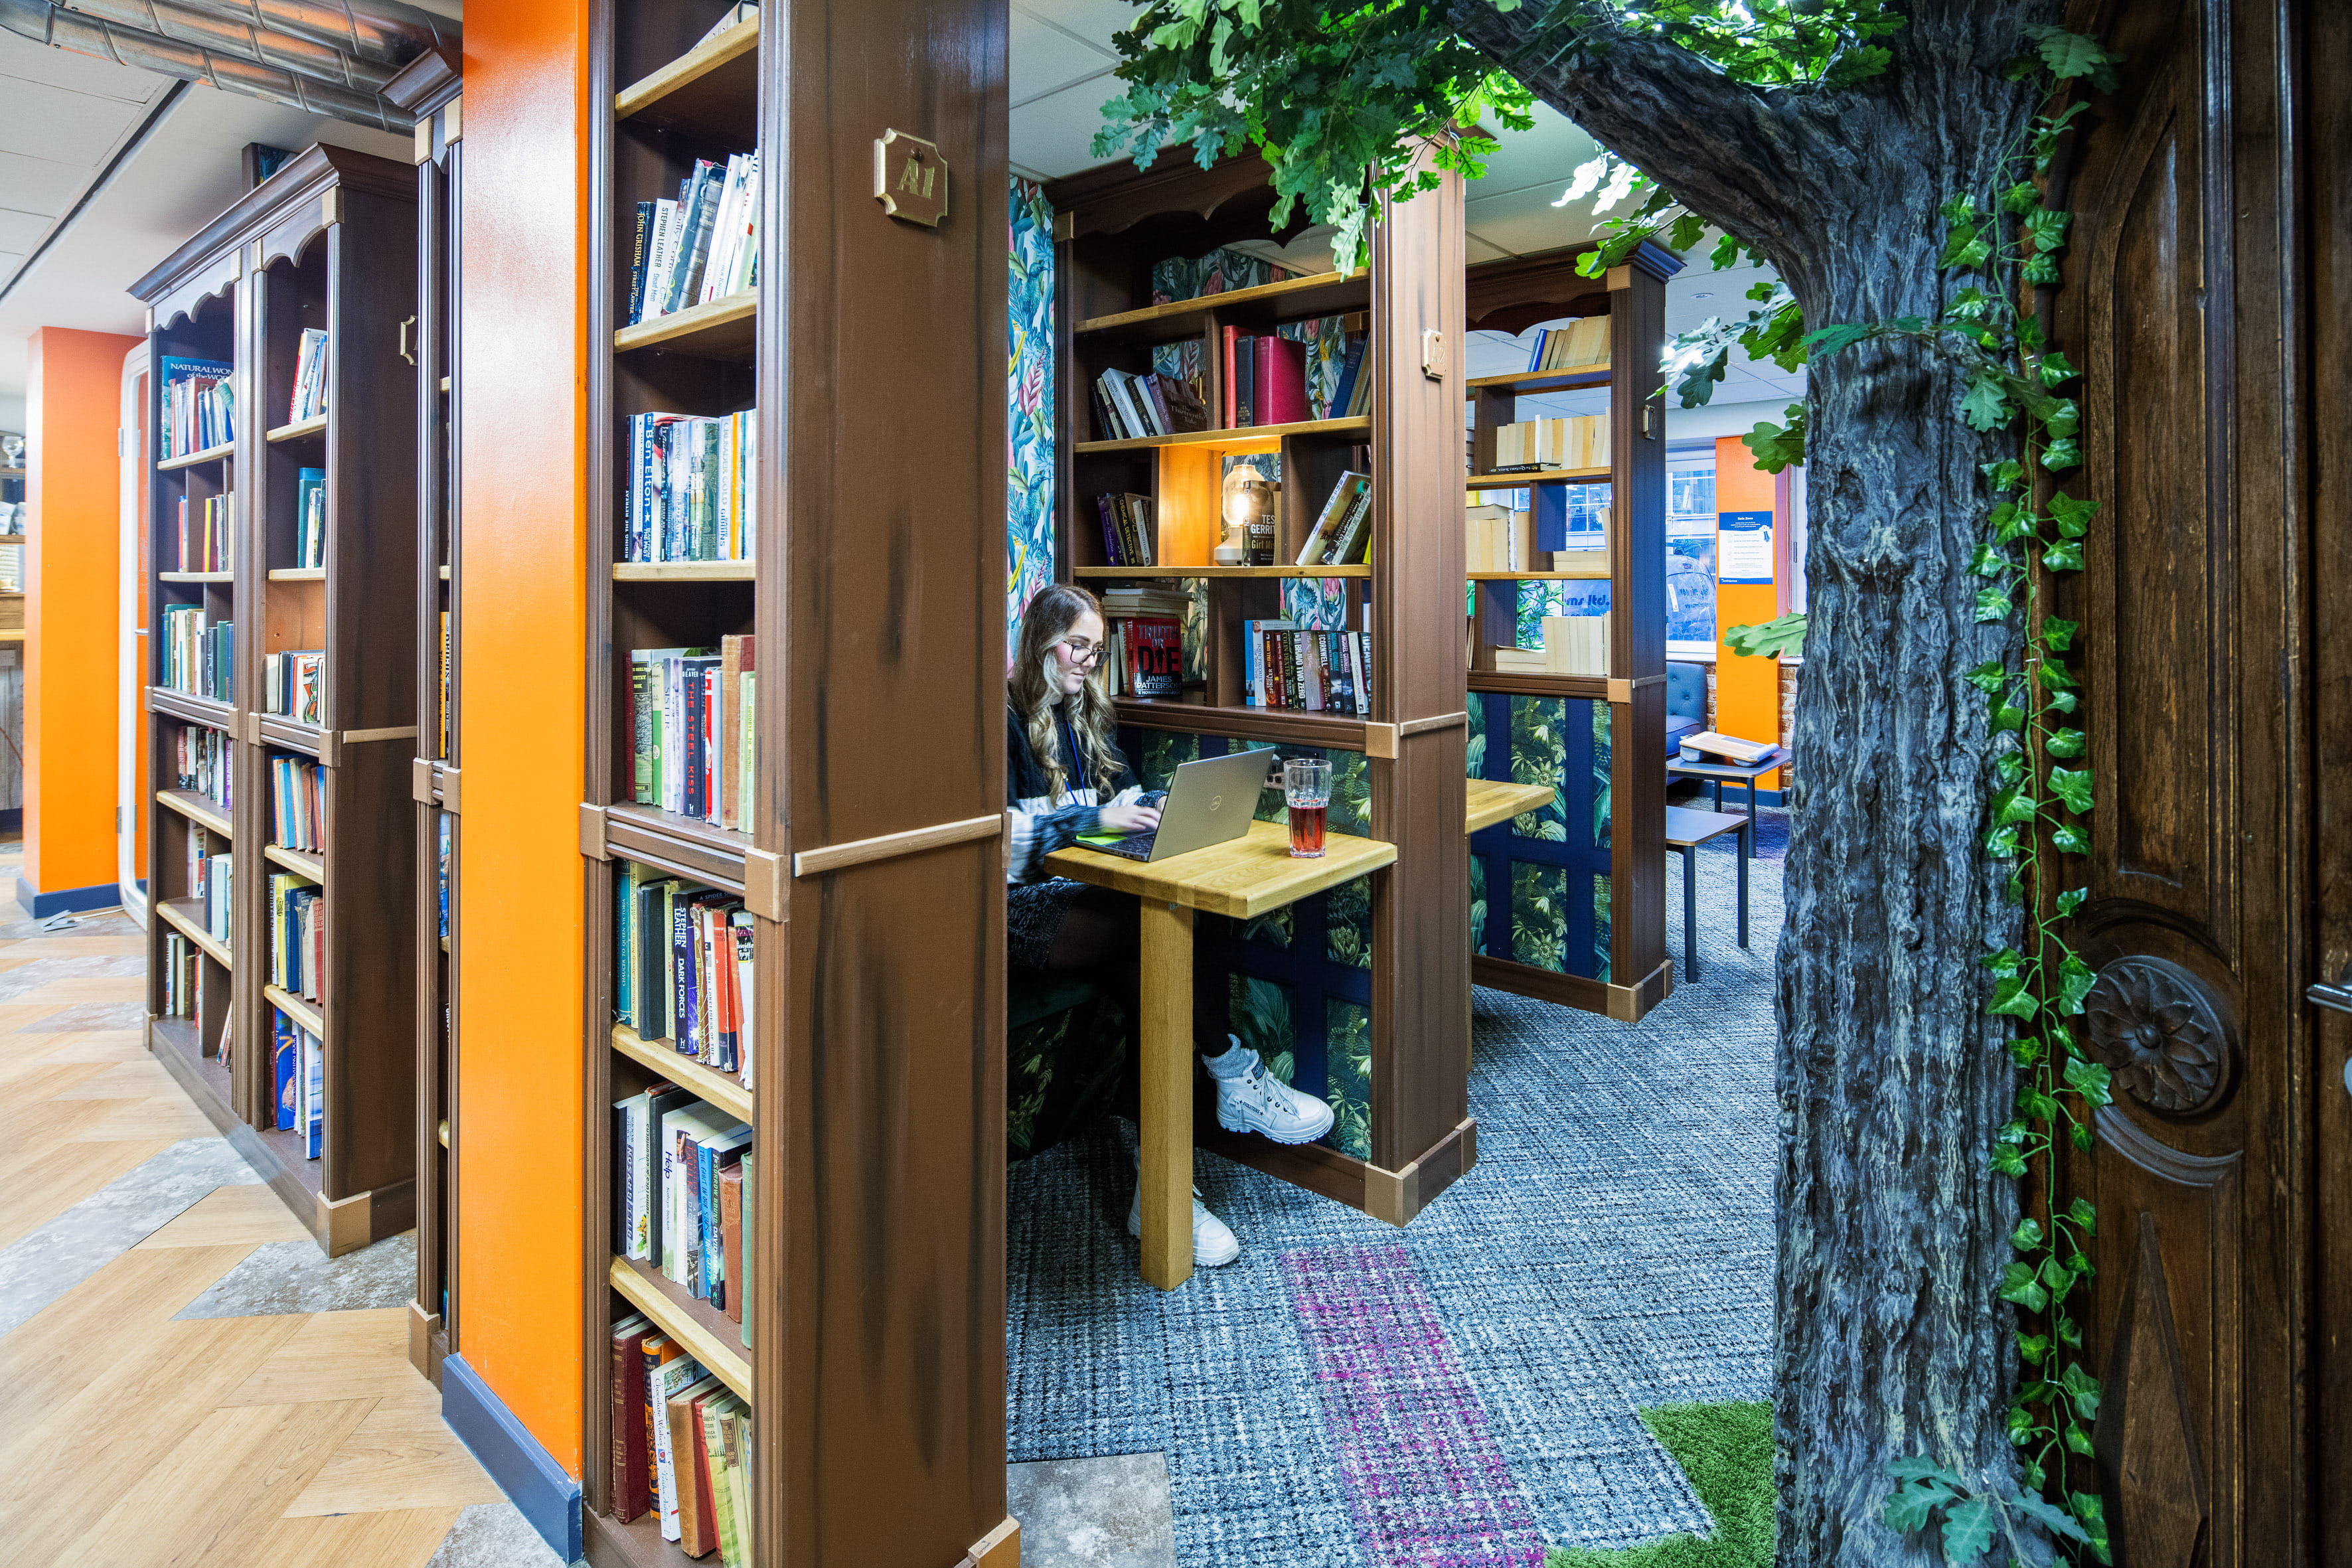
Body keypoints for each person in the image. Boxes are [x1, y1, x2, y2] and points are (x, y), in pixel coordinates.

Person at [1006, 583, 1332, 1266]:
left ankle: (1164, 1194)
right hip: (1015, 910)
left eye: (1098, 650)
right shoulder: (998, 715)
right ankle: (1234, 1071)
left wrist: (1159, 803)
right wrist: (1096, 821)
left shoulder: (1085, 712)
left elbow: (1120, 796)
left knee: (1168, 931)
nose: (1090, 661)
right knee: (1151, 923)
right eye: (1079, 646)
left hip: (1085, 894)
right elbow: (1000, 839)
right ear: (1041, 640)